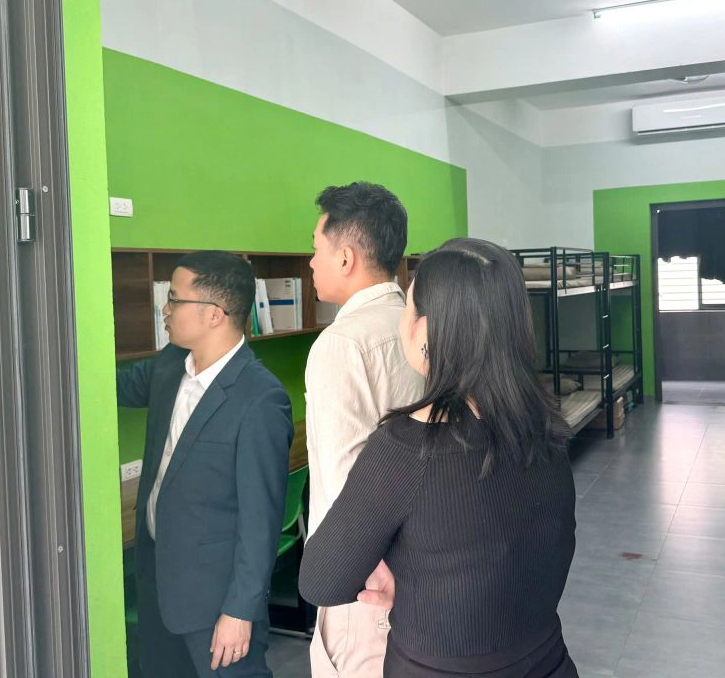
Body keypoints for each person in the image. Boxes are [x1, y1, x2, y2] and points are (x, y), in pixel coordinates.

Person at [299, 238, 579, 678]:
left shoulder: (405, 448)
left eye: (408, 306)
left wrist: (399, 574)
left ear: (428, 330)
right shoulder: (548, 430)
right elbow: (510, 559)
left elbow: (321, 580)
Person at [117, 251, 293, 678]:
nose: (165, 310)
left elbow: (260, 522)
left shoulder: (260, 399)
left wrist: (240, 611)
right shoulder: (169, 365)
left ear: (214, 314)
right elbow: (112, 385)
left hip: (216, 602)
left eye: (175, 299)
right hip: (159, 583)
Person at [305, 183, 425, 676]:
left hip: (365, 581)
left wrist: (349, 573)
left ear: (346, 258)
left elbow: (346, 482)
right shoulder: (418, 326)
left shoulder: (342, 343)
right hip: (416, 563)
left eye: (316, 248)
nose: (311, 262)